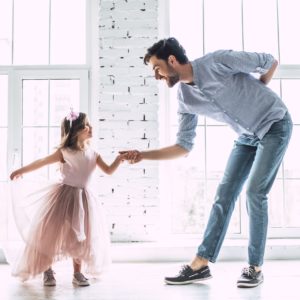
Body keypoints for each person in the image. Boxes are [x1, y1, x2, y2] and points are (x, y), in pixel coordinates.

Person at [121, 38, 293, 288]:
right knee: (224, 195)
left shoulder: (217, 61)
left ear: (171, 60)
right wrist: (142, 155)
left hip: (275, 124)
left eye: (157, 69)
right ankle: (200, 264)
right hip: (247, 136)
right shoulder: (185, 99)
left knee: (255, 192)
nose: (156, 76)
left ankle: (254, 267)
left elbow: (269, 61)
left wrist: (260, 91)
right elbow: (183, 147)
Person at [9, 110, 127, 287]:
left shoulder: (93, 154)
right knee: (51, 234)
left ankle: (77, 273)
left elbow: (109, 170)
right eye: (86, 125)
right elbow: (41, 162)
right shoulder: (64, 152)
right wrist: (20, 171)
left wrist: (120, 159)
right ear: (76, 130)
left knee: (80, 235)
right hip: (63, 197)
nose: (91, 127)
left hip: (84, 199)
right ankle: (47, 270)